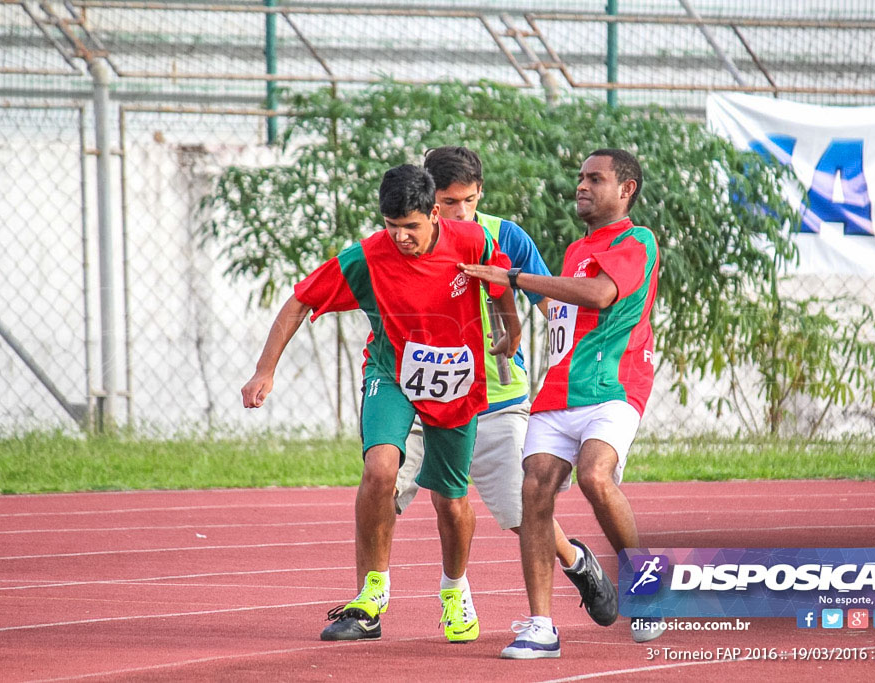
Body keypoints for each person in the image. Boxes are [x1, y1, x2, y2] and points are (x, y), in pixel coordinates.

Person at [241, 164, 521, 642]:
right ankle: (371, 593)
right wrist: (265, 369)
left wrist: (509, 330)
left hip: (455, 382)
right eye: (392, 227)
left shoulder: (471, 240)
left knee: (450, 501)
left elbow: (498, 285)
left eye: (411, 227)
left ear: (434, 213)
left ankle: (454, 592)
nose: (401, 238)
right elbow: (300, 301)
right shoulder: (368, 256)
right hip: (391, 374)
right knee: (380, 470)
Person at [394, 146, 620, 638]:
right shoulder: (407, 238)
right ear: (429, 198)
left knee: (523, 514)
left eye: (470, 201)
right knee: (427, 497)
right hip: (427, 397)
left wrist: (583, 370)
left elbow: (549, 304)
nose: (461, 213)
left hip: (498, 397)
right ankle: (447, 594)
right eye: (450, 203)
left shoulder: (504, 236)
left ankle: (578, 561)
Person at [460, 148, 661, 658]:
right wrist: (513, 326)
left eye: (596, 178)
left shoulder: (638, 240)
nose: (583, 186)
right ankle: (541, 626)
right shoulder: (576, 249)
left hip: (614, 388)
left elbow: (596, 295)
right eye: (580, 177)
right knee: (534, 494)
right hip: (559, 389)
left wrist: (512, 279)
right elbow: (564, 311)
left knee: (596, 475)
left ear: (626, 189)